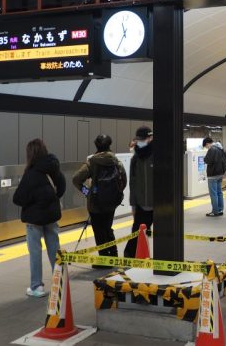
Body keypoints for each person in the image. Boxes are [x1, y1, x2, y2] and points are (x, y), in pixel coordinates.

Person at [13, 138, 65, 297]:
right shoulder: (53, 168)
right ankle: (60, 281)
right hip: (51, 216)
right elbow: (62, 187)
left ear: (30, 154)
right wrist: (51, 199)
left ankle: (37, 287)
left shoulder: (31, 173)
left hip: (34, 219)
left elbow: (18, 198)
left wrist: (33, 201)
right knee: (54, 249)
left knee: (35, 251)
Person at [73, 134, 127, 266]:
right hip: (111, 202)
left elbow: (76, 179)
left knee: (99, 231)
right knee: (108, 228)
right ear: (109, 145)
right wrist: (115, 193)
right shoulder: (116, 161)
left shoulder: (92, 162)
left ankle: (104, 260)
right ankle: (113, 255)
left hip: (95, 204)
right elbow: (124, 180)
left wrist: (87, 192)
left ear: (96, 145)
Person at [123, 126, 154, 258]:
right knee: (137, 231)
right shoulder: (135, 159)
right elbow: (133, 183)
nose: (140, 142)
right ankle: (130, 256)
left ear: (150, 138)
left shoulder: (158, 155)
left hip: (158, 202)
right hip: (141, 203)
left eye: (143, 139)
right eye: (138, 139)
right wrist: (133, 204)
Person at [203, 136, 225, 217]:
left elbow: (206, 160)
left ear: (207, 144)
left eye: (206, 146)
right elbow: (224, 160)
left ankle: (215, 211)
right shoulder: (220, 148)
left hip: (213, 174)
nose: (206, 148)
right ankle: (220, 209)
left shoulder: (212, 149)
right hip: (220, 173)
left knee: (213, 193)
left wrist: (205, 158)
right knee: (219, 192)